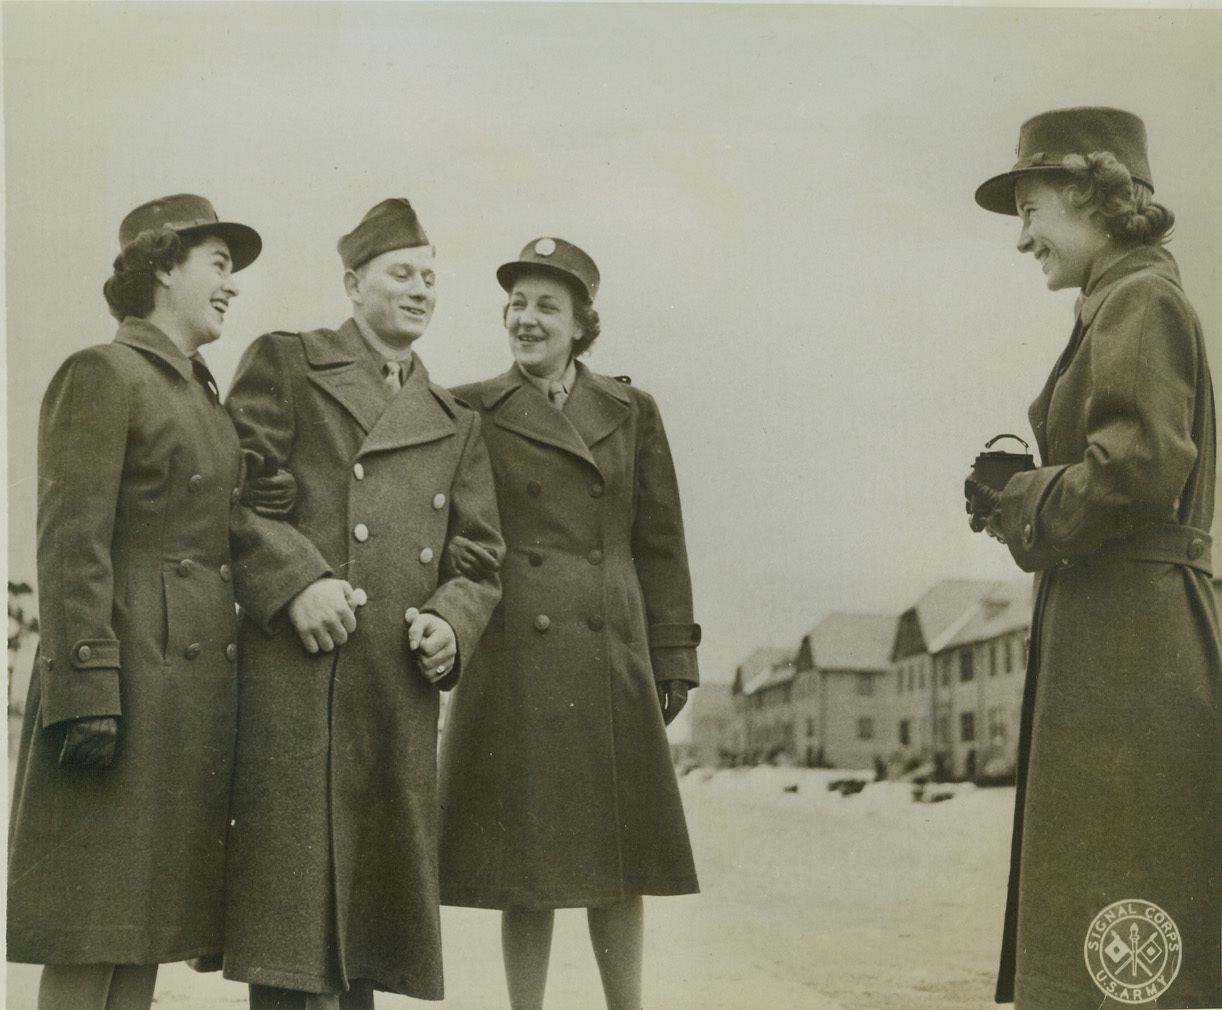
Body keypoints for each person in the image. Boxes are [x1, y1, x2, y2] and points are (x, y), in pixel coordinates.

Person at [221, 198, 504, 1010]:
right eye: (400, 274)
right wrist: (295, 582)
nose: (420, 290)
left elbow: (480, 555)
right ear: (353, 284)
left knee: (368, 936)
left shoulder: (455, 419)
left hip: (393, 689)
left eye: (429, 277)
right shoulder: (287, 363)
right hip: (298, 681)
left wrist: (451, 621)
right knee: (293, 935)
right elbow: (231, 496)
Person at [969, 107, 1222, 1009]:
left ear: (1093, 198)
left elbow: (1139, 471)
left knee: (1129, 906)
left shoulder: (1140, 299)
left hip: (1133, 646)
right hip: (1121, 631)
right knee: (1112, 908)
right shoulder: (1118, 299)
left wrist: (1022, 498)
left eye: (1032, 209)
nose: (1023, 238)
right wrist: (1026, 496)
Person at [7, 194, 261, 1010]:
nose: (232, 286)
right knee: (92, 933)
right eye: (219, 265)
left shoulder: (201, 397)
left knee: (143, 932)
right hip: (118, 696)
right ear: (162, 265)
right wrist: (87, 693)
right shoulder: (101, 372)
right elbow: (70, 543)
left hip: (182, 704)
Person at [437, 237, 700, 1010]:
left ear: (582, 322)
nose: (526, 319)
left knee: (618, 856)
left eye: (546, 306)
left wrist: (673, 652)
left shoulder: (632, 411)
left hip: (609, 649)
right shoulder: (468, 409)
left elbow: (660, 540)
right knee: (529, 861)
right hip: (515, 653)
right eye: (516, 304)